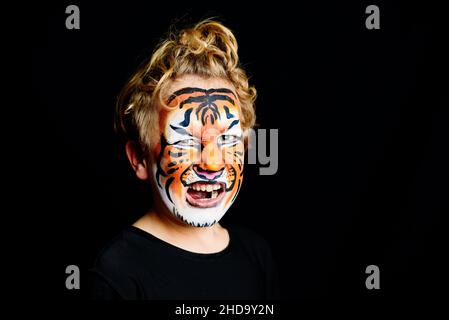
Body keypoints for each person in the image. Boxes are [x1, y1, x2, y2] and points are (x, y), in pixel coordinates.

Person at [90, 19, 279, 299]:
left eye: (227, 140)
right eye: (186, 142)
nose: (213, 163)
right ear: (140, 159)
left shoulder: (256, 255)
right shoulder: (116, 274)